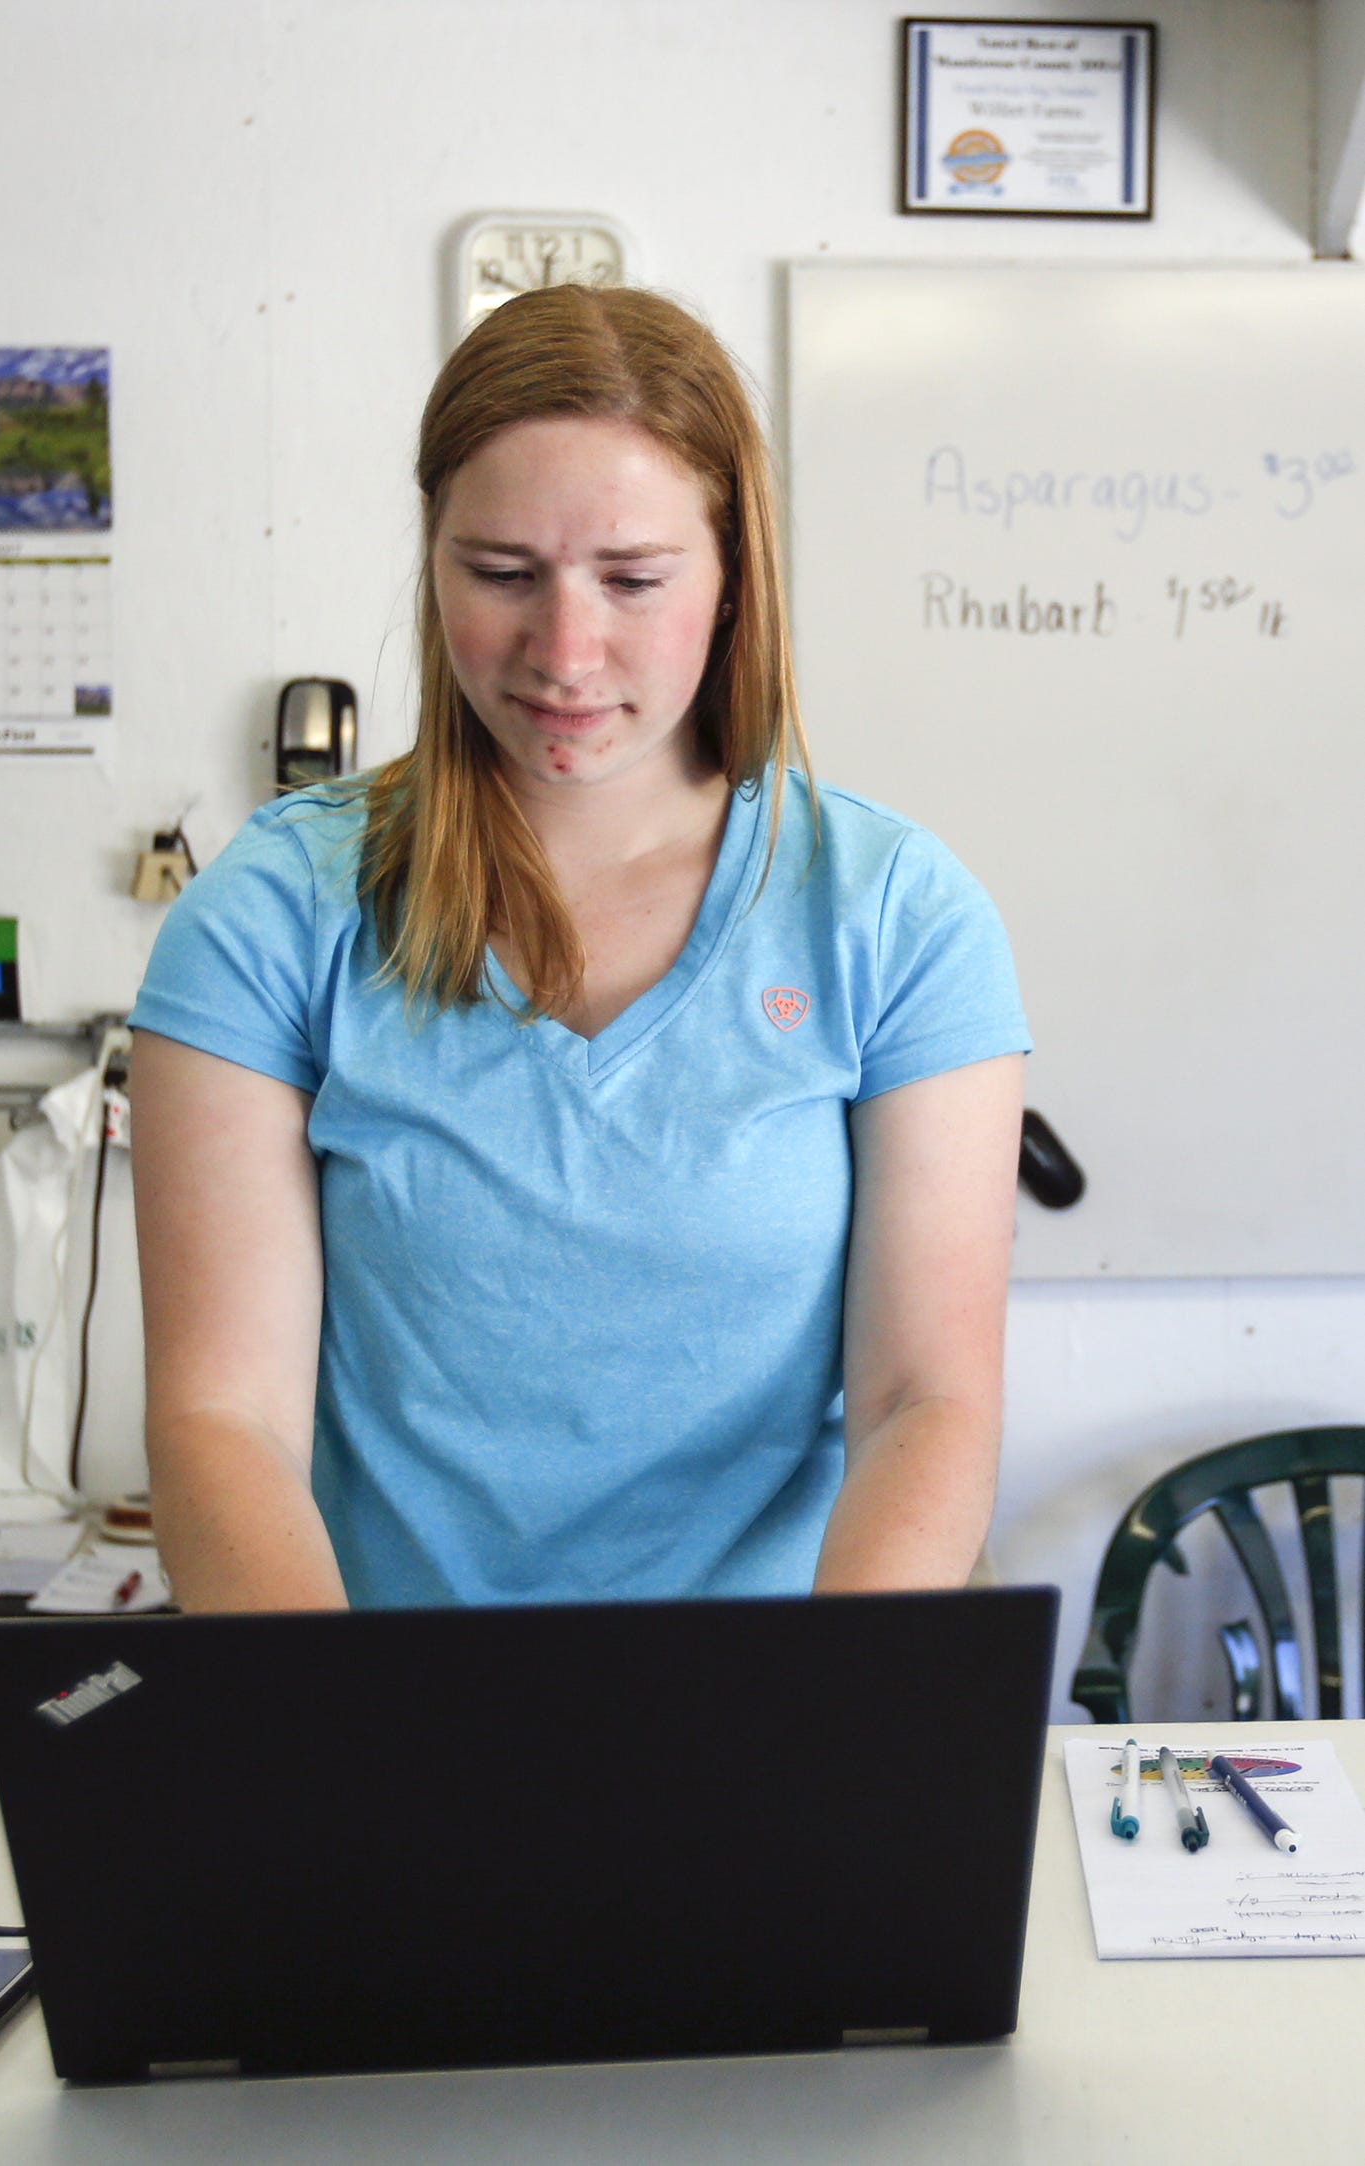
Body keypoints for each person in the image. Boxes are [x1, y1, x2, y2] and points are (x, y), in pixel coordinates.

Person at [128, 284, 1029, 1614]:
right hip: (394, 1722)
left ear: (731, 579)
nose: (563, 650)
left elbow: (923, 1399)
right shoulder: (273, 911)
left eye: (631, 580)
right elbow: (223, 1418)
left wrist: (833, 1726)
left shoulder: (893, 914)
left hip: (769, 1717)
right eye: (499, 574)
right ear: (430, 559)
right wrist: (327, 1748)